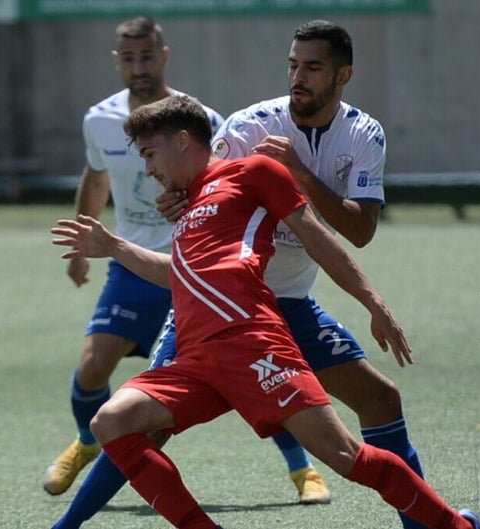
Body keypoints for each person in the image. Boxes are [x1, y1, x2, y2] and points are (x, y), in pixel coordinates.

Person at [51, 94, 480, 529]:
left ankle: (455, 526)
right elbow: (181, 275)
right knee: (112, 420)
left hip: (251, 342)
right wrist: (113, 247)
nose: (148, 170)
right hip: (197, 358)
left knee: (344, 456)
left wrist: (372, 301)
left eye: (150, 154)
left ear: (182, 140)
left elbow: (316, 237)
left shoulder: (252, 172)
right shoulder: (184, 208)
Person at [155, 19, 433, 529]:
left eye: (312, 67)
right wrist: (176, 197)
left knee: (380, 399)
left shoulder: (363, 133)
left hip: (291, 304)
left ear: (343, 75)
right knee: (137, 426)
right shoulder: (248, 127)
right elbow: (201, 196)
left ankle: (421, 524)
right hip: (226, 307)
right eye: (292, 65)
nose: (297, 76)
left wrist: (298, 175)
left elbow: (360, 230)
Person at [41, 15, 224, 496]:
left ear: (164, 56)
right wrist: (80, 251)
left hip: (192, 267)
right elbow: (96, 177)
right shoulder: (99, 119)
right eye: (129, 57)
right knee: (92, 367)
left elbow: (222, 184)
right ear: (117, 61)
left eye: (147, 56)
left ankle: (299, 466)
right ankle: (86, 444)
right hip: (131, 263)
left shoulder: (200, 117)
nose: (138, 66)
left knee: (239, 368)